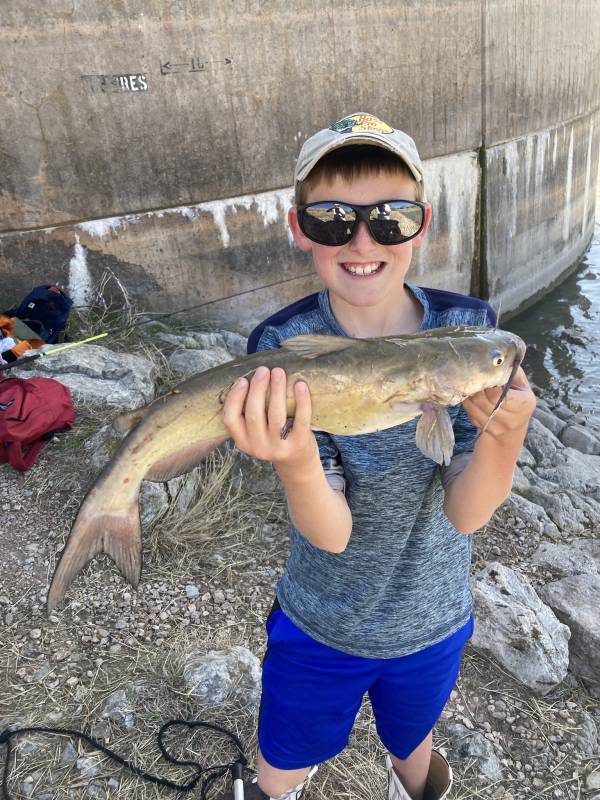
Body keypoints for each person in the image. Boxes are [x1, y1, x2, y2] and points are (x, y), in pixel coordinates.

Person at [222, 112, 536, 800]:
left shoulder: (472, 327)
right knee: (284, 758)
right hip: (320, 621)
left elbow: (466, 511)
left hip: (434, 619)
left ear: (421, 225)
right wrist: (295, 458)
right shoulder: (282, 344)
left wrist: (506, 437)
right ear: (299, 226)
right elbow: (331, 534)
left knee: (413, 740)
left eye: (391, 218)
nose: (363, 240)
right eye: (334, 218)